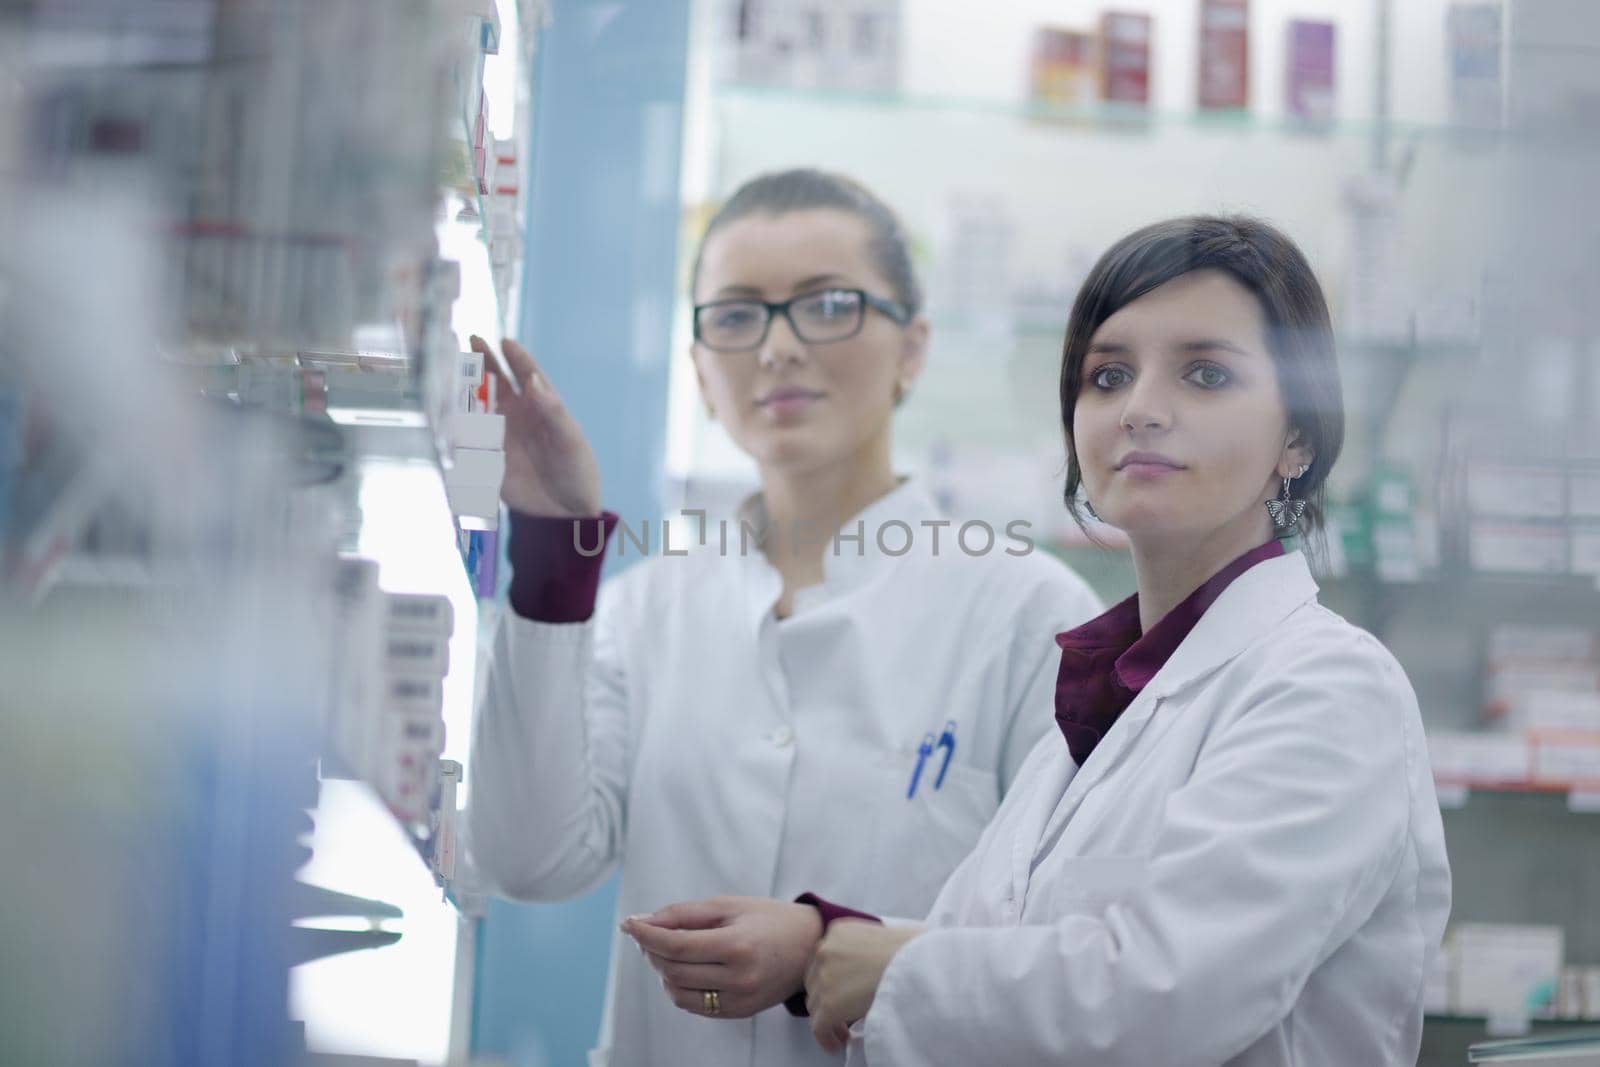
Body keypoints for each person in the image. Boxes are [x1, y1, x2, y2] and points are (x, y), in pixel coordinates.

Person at [628, 214, 1453, 1065]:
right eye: (1108, 375)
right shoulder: (1105, 696)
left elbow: (1160, 996)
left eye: (1206, 373)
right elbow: (1007, 946)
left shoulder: (1328, 688)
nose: (1140, 409)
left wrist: (879, 966)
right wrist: (822, 946)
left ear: (1298, 439)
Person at [464, 168, 1104, 1067]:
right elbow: (525, 859)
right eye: (735, 315)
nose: (777, 348)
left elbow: (1068, 950)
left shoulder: (1031, 614)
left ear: (913, 348)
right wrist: (550, 548)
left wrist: (827, 950)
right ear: (698, 368)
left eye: (829, 305)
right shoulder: (646, 609)